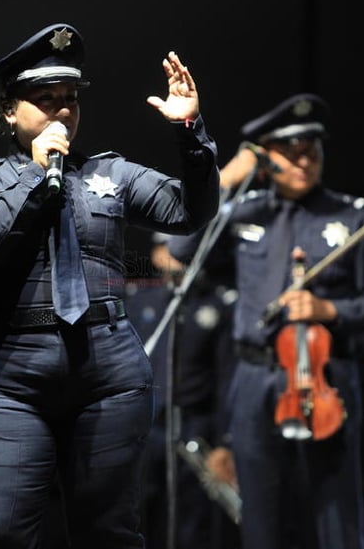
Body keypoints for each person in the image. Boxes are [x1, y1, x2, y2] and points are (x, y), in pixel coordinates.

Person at [0, 22, 220, 549]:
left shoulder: (109, 172)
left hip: (107, 369)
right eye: (45, 100)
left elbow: (191, 212)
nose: (61, 111)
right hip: (12, 375)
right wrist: (36, 172)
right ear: (9, 110)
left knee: (110, 534)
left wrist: (190, 134)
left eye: (69, 99)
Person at [168, 93, 364, 549]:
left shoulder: (350, 215)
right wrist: (228, 177)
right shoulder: (245, 211)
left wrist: (331, 311)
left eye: (311, 151)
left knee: (335, 511)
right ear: (267, 156)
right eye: (290, 153)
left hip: (326, 374)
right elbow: (179, 252)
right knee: (259, 511)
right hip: (254, 376)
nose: (303, 161)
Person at [126, 233, 241, 549]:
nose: (177, 256)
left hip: (194, 426)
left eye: (187, 249)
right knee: (136, 517)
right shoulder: (138, 299)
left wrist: (224, 442)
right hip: (144, 425)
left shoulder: (217, 304)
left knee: (192, 521)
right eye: (168, 248)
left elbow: (227, 379)